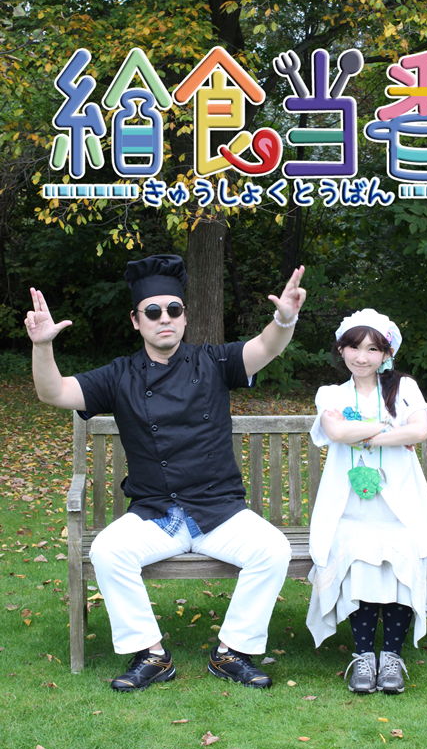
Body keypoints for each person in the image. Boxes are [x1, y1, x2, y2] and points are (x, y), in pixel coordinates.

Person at [25, 254, 306, 691]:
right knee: (107, 550)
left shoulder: (214, 361)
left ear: (184, 316)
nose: (165, 319)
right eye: (152, 312)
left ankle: (232, 651)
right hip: (158, 514)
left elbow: (265, 347)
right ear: (136, 321)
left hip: (217, 510)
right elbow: (54, 392)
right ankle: (152, 655)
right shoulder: (118, 375)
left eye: (174, 309)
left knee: (272, 549)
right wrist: (43, 346)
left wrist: (284, 320)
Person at [306, 309, 427, 695]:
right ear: (341, 349)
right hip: (348, 509)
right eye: (354, 347)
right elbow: (335, 431)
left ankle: (391, 656)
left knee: (404, 553)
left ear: (386, 353)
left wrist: (361, 433)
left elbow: (421, 429)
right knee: (357, 555)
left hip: (401, 507)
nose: (362, 357)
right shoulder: (331, 394)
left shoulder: (404, 387)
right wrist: (391, 427)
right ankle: (364, 657)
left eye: (372, 349)